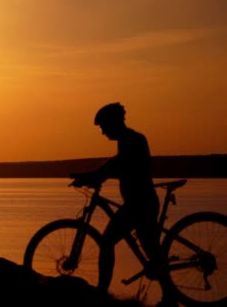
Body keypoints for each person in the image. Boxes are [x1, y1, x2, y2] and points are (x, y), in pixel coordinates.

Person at [70, 102, 176, 306]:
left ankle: (101, 292)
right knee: (151, 249)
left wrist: (92, 175)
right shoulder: (127, 140)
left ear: (113, 123)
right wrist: (95, 176)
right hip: (138, 203)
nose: (103, 132)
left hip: (140, 204)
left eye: (103, 127)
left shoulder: (133, 140)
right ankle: (169, 296)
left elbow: (119, 165)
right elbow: (116, 164)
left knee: (108, 241)